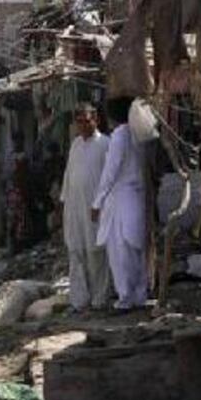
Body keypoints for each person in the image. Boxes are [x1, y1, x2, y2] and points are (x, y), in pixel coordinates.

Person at [92, 97, 148, 311]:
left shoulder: (119, 136)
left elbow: (110, 172)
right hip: (136, 196)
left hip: (120, 198)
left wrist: (97, 202)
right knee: (136, 248)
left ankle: (125, 298)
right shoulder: (139, 133)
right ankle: (140, 295)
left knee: (120, 250)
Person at [60, 104, 111, 312]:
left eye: (86, 121)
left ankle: (100, 298)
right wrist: (63, 202)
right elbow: (69, 176)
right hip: (74, 207)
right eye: (79, 122)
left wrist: (101, 203)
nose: (82, 125)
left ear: (96, 120)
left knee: (96, 252)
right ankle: (79, 299)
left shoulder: (106, 144)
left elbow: (109, 179)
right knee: (76, 251)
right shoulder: (75, 145)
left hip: (95, 208)